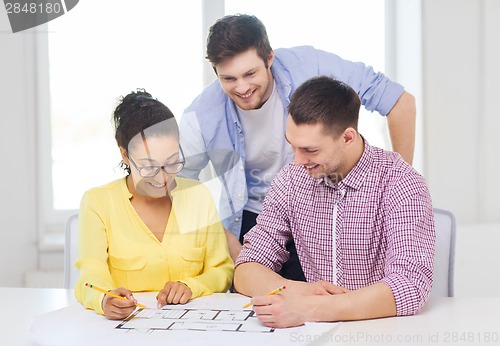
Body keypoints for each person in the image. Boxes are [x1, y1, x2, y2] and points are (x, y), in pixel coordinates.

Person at [179, 14, 416, 280]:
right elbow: (178, 184)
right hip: (254, 220)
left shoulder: (312, 67)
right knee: (257, 297)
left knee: (335, 296)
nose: (242, 87)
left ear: (269, 58)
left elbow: (400, 103)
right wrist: (223, 238)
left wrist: (397, 189)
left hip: (320, 209)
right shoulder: (202, 114)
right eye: (229, 79)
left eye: (250, 73)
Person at [234, 76, 435, 328]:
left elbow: (411, 285)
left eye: (310, 150)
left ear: (348, 138)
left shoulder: (401, 183)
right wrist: (299, 292)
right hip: (315, 331)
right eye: (292, 146)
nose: (297, 161)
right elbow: (247, 268)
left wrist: (311, 308)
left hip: (382, 329)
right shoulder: (290, 180)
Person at [74, 90, 233, 320]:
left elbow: (223, 270)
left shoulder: (199, 196)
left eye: (172, 163)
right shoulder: (98, 203)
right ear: (125, 156)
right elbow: (89, 277)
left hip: (191, 329)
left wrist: (191, 285)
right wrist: (105, 298)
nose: (162, 179)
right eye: (149, 167)